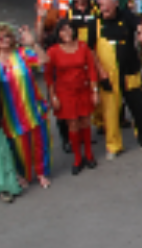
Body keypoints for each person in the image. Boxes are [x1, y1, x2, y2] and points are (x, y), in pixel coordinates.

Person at [94, 0, 142, 159]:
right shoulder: (97, 22)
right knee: (111, 113)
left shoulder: (126, 15)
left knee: (139, 108)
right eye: (101, 6)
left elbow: (140, 25)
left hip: (130, 72)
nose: (103, 9)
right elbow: (91, 52)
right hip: (109, 76)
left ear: (115, 4)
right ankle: (114, 146)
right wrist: (101, 73)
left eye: (106, 6)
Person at [45, 19, 99, 175]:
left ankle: (89, 154)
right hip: (65, 93)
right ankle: (77, 157)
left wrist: (94, 91)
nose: (66, 33)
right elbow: (48, 76)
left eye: (69, 29)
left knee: (85, 122)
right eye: (63, 30)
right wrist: (53, 96)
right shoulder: (53, 51)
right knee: (73, 125)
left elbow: (92, 71)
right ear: (58, 33)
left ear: (73, 31)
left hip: (83, 90)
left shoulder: (83, 47)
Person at [0, 22, 51, 189]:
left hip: (32, 108)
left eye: (6, 36)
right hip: (10, 114)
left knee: (39, 142)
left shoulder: (22, 54)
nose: (4, 40)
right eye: (0, 37)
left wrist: (33, 44)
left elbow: (44, 60)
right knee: (17, 147)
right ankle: (22, 175)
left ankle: (41, 173)